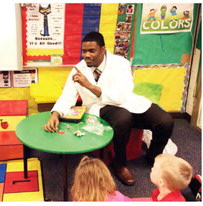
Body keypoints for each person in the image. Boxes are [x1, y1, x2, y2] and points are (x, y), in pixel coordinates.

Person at [43, 31, 174, 186]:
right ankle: (120, 164)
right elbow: (67, 96)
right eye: (84, 51)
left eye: (92, 51)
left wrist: (90, 86)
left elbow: (121, 96)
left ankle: (153, 156)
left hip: (127, 102)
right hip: (100, 106)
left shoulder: (121, 64)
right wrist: (55, 114)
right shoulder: (78, 69)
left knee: (165, 121)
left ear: (103, 50)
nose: (86, 55)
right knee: (123, 119)